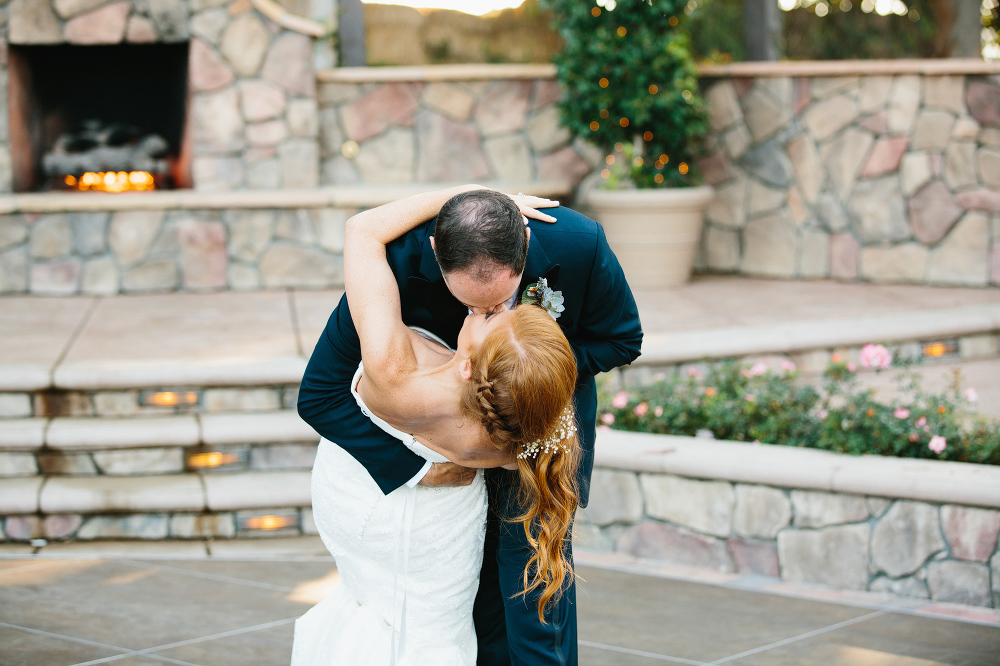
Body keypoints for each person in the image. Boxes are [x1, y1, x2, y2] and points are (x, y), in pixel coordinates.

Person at [297, 185, 642, 665]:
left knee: (537, 609)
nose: (485, 316)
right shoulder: (398, 261)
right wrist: (418, 467)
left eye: (497, 307)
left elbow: (622, 339)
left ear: (523, 241)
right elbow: (320, 394)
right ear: (437, 252)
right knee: (473, 611)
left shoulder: (578, 242)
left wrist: (530, 373)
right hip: (444, 477)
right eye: (473, 308)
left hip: (537, 438)